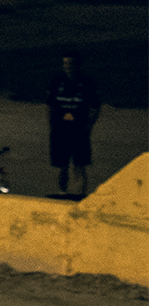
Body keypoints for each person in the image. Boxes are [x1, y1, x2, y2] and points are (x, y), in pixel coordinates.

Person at [45, 49, 101, 197]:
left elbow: (96, 106)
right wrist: (51, 124)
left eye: (70, 63)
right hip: (60, 130)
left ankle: (80, 194)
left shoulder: (87, 82)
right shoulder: (57, 81)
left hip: (79, 130)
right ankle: (62, 192)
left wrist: (89, 125)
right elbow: (50, 105)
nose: (68, 66)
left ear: (78, 64)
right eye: (65, 63)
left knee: (80, 165)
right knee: (61, 165)